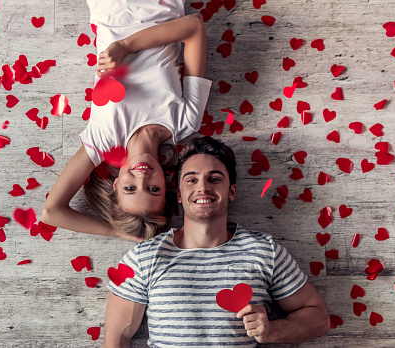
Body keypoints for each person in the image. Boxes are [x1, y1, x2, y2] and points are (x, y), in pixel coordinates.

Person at [102, 137, 330, 347]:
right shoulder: (144, 258)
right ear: (179, 194)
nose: (203, 187)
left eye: (214, 179)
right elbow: (117, 338)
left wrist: (272, 330)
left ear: (231, 192)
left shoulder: (265, 252)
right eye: (191, 179)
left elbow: (318, 318)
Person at [41, 0, 212, 241]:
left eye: (130, 188)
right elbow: (194, 27)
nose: (142, 177)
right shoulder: (186, 121)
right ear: (166, 186)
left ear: (116, 184)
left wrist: (117, 232)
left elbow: (51, 212)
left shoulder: (102, 140)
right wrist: (125, 46)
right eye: (153, 189)